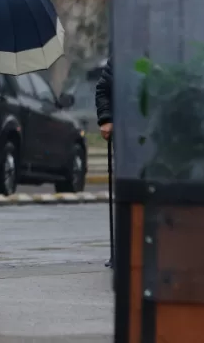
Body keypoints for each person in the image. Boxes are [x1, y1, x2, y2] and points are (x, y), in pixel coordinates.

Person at [94, 56, 113, 268]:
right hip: (127, 132)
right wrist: (106, 118)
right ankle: (120, 250)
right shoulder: (120, 57)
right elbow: (103, 90)